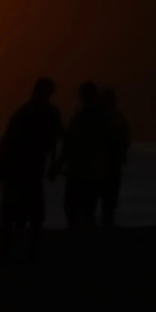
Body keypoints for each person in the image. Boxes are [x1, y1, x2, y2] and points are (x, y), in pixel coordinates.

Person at [0, 77, 63, 260]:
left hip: (23, 167)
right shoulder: (45, 112)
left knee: (17, 212)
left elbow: (8, 140)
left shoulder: (26, 112)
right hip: (26, 167)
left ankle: (13, 250)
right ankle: (24, 249)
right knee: (26, 212)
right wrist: (54, 163)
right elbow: (56, 139)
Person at [54, 82, 108, 231]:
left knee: (75, 207)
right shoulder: (100, 117)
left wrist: (59, 164)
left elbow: (71, 144)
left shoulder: (85, 117)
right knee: (86, 207)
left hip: (82, 170)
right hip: (92, 170)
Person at [99, 88, 131, 228]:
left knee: (106, 201)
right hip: (109, 164)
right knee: (109, 201)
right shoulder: (117, 118)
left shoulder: (99, 117)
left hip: (103, 164)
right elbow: (126, 139)